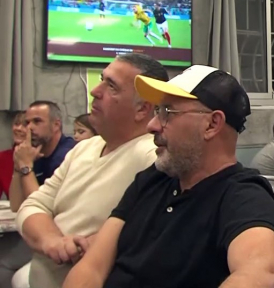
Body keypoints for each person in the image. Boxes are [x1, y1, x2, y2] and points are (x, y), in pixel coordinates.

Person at [63, 65, 274, 288]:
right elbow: (92, 267)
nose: (152, 125)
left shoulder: (244, 196)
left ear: (212, 124)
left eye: (166, 112)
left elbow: (261, 275)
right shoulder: (151, 180)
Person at [16, 53, 168, 288]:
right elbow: (33, 205)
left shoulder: (153, 158)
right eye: (101, 79)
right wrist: (53, 242)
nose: (95, 91)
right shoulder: (84, 148)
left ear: (142, 109)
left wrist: (76, 247)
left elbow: (143, 234)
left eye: (112, 86)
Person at [10, 101, 77, 212]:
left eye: (37, 121)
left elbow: (42, 209)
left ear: (56, 125)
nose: (29, 127)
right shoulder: (36, 152)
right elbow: (16, 206)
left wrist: (26, 166)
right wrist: (18, 166)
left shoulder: (68, 154)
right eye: (27, 122)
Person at [0, 112, 26, 288]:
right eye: (16, 124)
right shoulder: (3, 157)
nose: (18, 128)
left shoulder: (42, 156)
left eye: (24, 124)